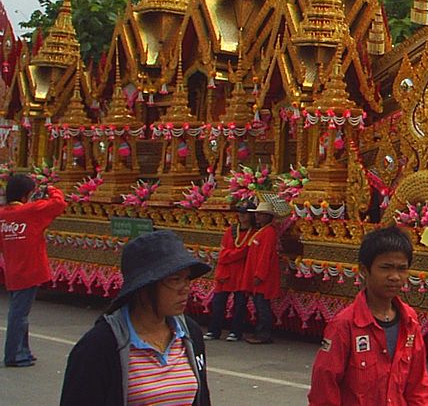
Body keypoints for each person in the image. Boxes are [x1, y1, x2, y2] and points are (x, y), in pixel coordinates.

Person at [59, 229, 212, 406]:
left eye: (187, 279)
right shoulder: (100, 346)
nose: (185, 288)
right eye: (175, 280)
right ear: (145, 287)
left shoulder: (189, 334)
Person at [308, 226, 428, 406]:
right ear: (365, 270)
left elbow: (418, 386)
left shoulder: (409, 321)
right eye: (386, 268)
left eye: (402, 269)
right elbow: (324, 388)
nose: (395, 277)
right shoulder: (345, 325)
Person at [1, 173, 67, 368]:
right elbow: (58, 204)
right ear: (26, 195)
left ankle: (23, 350)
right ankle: (14, 354)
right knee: (19, 314)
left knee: (20, 311)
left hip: (13, 268)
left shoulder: (3, 214)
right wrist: (50, 188)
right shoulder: (31, 211)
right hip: (29, 269)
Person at [204, 201, 255, 342]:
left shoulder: (255, 233)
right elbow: (223, 254)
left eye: (245, 214)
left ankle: (236, 332)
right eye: (240, 213)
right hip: (226, 272)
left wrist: (233, 254)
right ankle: (214, 331)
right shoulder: (231, 230)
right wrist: (240, 253)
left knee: (239, 304)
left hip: (241, 273)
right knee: (218, 303)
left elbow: (249, 254)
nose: (242, 216)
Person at [242, 200, 281, 344]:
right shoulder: (263, 231)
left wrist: (259, 275)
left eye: (260, 215)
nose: (257, 217)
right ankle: (260, 333)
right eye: (257, 215)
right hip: (259, 275)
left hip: (263, 278)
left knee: (262, 306)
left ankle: (263, 334)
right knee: (260, 306)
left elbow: (265, 256)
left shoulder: (269, 233)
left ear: (268, 217)